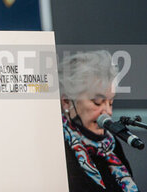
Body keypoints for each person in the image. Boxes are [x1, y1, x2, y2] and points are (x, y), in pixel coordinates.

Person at [59, 50, 139, 192]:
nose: (107, 111)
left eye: (111, 102)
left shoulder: (112, 144)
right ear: (66, 102)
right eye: (97, 102)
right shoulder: (58, 148)